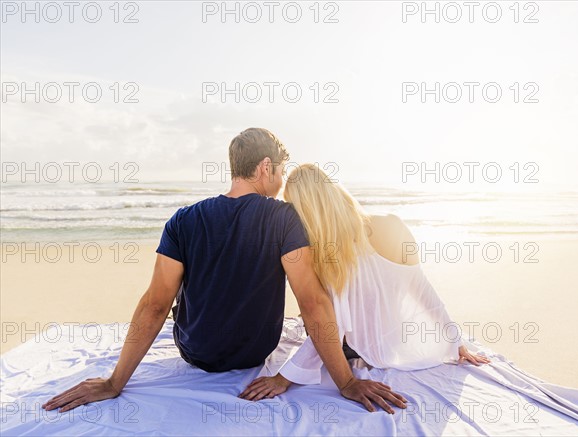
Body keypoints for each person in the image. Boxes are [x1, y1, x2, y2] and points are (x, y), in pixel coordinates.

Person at [42, 129, 407, 415]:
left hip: (195, 351)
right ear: (266, 167)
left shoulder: (183, 219)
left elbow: (154, 305)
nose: (280, 184)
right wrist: (345, 383)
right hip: (254, 352)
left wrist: (114, 382)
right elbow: (312, 303)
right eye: (280, 172)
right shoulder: (283, 219)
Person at [240, 164, 491, 400]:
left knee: (315, 310)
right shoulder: (393, 225)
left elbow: (329, 326)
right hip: (392, 342)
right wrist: (453, 340)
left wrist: (284, 378)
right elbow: (422, 289)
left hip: (356, 348)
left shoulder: (328, 255)